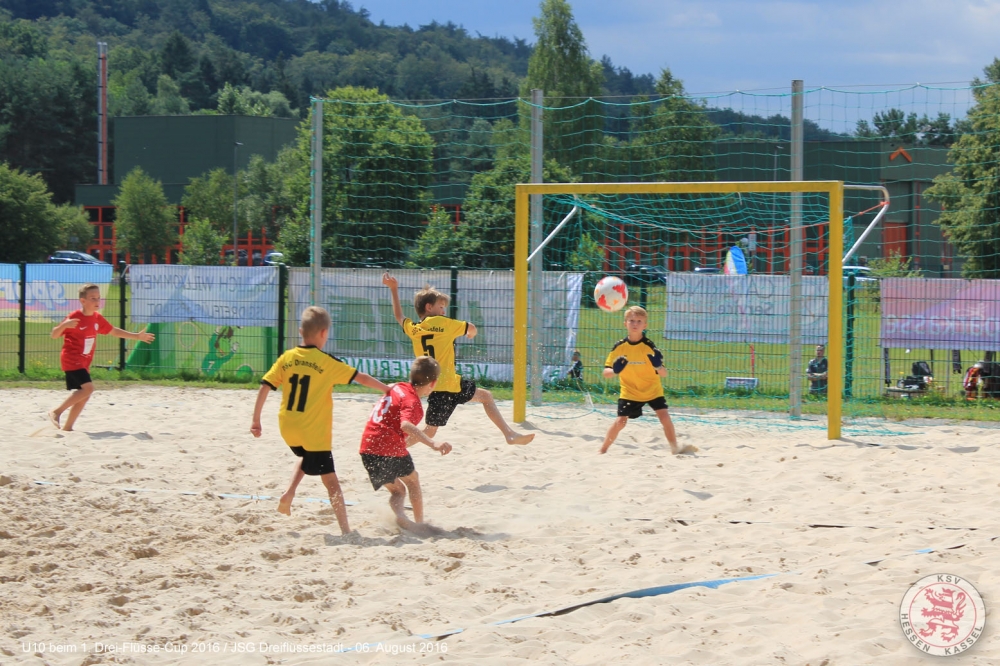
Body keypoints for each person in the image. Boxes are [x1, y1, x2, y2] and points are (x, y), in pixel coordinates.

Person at [250, 306, 390, 534]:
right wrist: (387, 389)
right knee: (331, 482)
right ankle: (346, 531)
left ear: (300, 331)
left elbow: (265, 385)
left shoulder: (287, 357)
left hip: (288, 427)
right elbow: (361, 378)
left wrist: (256, 420)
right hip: (313, 431)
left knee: (306, 455)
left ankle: (289, 493)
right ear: (324, 333)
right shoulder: (326, 362)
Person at [382, 272, 533, 446]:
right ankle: (396, 450)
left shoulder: (414, 328)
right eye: (441, 307)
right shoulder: (444, 323)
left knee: (485, 396)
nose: (443, 311)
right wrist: (471, 334)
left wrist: (394, 289)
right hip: (444, 387)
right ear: (429, 307)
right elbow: (472, 328)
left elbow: (399, 317)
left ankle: (509, 434)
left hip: (445, 385)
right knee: (430, 430)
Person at [360, 356, 451, 535]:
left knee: (398, 491)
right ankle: (420, 524)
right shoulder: (413, 402)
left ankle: (401, 515)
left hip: (367, 448)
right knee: (413, 481)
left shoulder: (396, 386)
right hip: (388, 447)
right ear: (433, 383)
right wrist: (432, 442)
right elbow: (405, 425)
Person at [49, 284, 155, 431]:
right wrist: (64, 325)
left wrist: (136, 336)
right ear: (83, 301)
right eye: (93, 298)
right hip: (71, 359)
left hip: (84, 362)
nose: (97, 301)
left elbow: (114, 331)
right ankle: (56, 412)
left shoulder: (97, 318)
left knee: (84, 394)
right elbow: (54, 335)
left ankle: (68, 428)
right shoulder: (75, 317)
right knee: (88, 389)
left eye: (98, 298)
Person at [599, 305, 696, 456]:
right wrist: (615, 371)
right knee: (621, 422)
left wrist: (658, 366)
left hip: (652, 390)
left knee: (664, 417)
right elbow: (606, 373)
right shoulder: (619, 347)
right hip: (630, 392)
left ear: (645, 325)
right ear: (625, 324)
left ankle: (675, 448)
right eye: (631, 320)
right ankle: (603, 450)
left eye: (639, 321)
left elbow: (664, 374)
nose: (635, 324)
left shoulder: (649, 347)